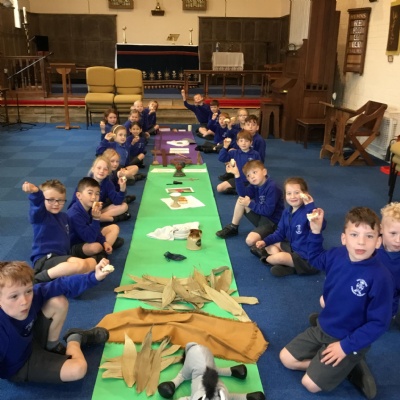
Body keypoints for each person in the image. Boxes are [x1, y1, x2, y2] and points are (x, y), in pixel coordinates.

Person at [279, 207, 394, 399]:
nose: (361, 242)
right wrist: (315, 232)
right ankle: (342, 369)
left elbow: (379, 323)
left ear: (378, 242)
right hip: (324, 328)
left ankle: (348, 363)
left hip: (349, 339)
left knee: (310, 384)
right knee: (286, 359)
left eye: (369, 236)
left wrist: (345, 346)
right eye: (354, 234)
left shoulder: (381, 277)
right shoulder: (337, 255)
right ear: (343, 238)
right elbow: (314, 258)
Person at [0, 260, 111, 383]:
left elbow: (62, 284)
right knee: (78, 369)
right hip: (19, 366)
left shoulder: (32, 296)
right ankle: (75, 338)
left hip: (30, 340)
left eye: (28, 291)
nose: (24, 301)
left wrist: (94, 277)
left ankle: (52, 346)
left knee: (57, 301)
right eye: (14, 296)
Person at [22, 180, 97, 283]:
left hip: (62, 257)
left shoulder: (64, 217)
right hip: (45, 260)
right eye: (51, 200)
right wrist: (36, 193)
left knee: (92, 263)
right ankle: (38, 279)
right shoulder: (40, 217)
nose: (56, 204)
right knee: (81, 265)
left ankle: (60, 280)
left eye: (60, 200)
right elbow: (37, 205)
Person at [254, 177, 322, 277]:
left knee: (279, 257)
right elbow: (280, 233)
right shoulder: (287, 212)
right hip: (293, 248)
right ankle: (290, 267)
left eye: (297, 193)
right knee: (269, 245)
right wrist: (265, 241)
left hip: (307, 258)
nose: (292, 196)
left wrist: (310, 207)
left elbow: (320, 225)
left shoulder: (310, 212)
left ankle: (266, 258)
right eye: (289, 193)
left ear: (305, 194)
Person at [216, 160, 284, 247]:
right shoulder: (255, 185)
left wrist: (249, 204)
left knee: (250, 241)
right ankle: (233, 227)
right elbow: (243, 194)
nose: (252, 177)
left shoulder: (272, 187)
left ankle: (271, 239)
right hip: (262, 217)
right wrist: (237, 175)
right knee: (241, 200)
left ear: (264, 172)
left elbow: (268, 211)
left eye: (254, 172)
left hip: (272, 222)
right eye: (248, 175)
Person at [66, 177, 124, 262]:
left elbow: (94, 231)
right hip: (74, 245)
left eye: (97, 194)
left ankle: (101, 255)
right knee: (96, 247)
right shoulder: (74, 215)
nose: (94, 197)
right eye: (90, 193)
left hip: (87, 236)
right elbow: (90, 238)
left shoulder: (89, 207)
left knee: (114, 228)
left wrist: (104, 242)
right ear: (79, 195)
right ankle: (101, 254)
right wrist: (96, 219)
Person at [71, 156, 130, 224]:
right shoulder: (85, 184)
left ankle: (96, 219)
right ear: (93, 169)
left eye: (105, 169)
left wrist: (122, 189)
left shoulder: (108, 183)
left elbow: (117, 201)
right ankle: (111, 219)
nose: (101, 171)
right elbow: (76, 204)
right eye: (99, 168)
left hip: (96, 210)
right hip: (83, 211)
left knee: (124, 206)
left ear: (108, 172)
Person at [216, 130, 261, 195]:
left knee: (255, 191)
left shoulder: (255, 154)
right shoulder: (234, 152)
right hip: (238, 179)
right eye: (241, 141)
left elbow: (259, 168)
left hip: (251, 181)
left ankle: (239, 191)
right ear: (237, 143)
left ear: (251, 143)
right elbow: (221, 158)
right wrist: (225, 147)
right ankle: (238, 190)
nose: (243, 143)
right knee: (219, 188)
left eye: (246, 141)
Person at [378, 202, 400, 318]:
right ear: (381, 229)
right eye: (393, 233)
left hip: (388, 306)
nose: (398, 240)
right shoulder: (370, 248)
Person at [218, 108, 249, 182]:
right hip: (234, 146)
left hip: (244, 149)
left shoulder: (248, 127)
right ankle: (231, 172)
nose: (243, 117)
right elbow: (228, 136)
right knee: (224, 151)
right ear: (238, 117)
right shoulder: (235, 126)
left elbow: (240, 135)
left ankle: (234, 172)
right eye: (241, 115)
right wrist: (229, 127)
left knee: (230, 151)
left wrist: (231, 129)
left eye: (245, 115)